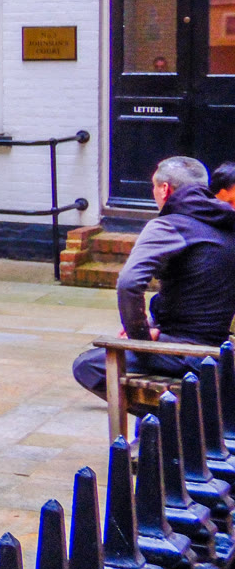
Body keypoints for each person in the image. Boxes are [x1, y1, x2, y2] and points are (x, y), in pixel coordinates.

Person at [72, 156, 235, 397]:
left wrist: (141, 340)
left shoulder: (170, 225)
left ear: (164, 189)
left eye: (154, 187)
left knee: (87, 366)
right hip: (220, 352)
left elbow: (129, 283)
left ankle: (168, 417)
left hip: (186, 354)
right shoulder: (227, 223)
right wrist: (151, 326)